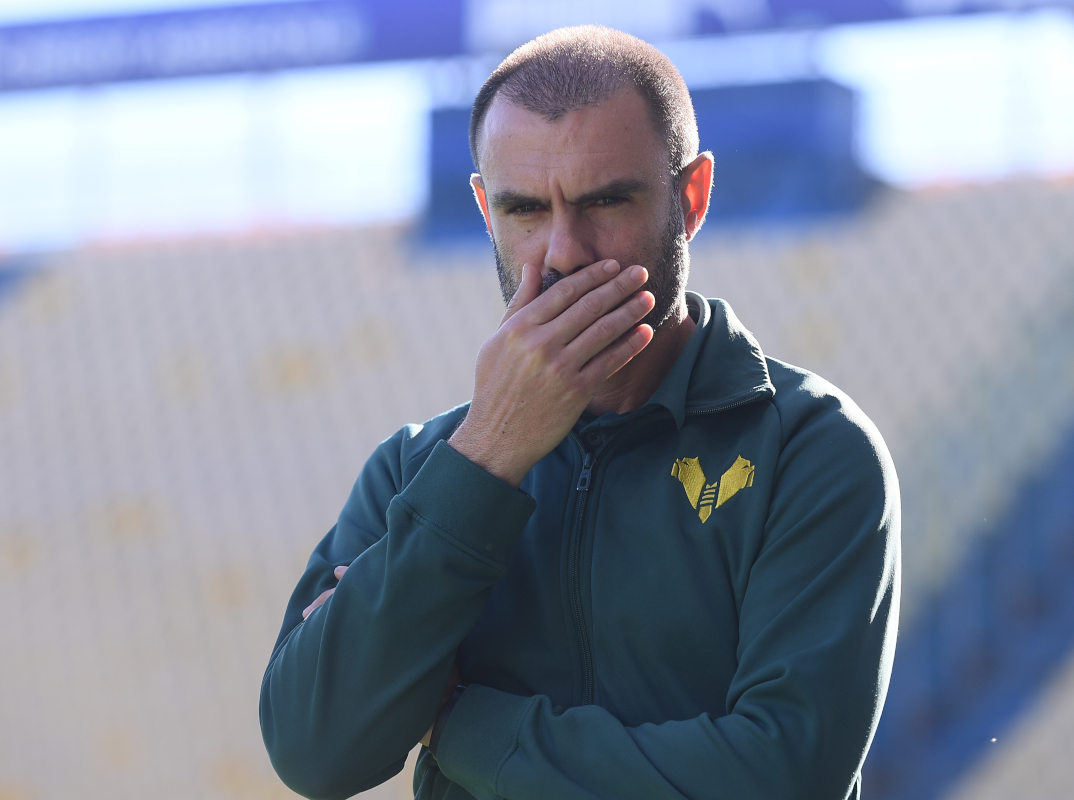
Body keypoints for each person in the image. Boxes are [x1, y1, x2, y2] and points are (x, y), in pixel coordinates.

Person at [260, 24, 900, 800]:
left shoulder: (809, 448)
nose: (562, 251)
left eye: (605, 201)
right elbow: (314, 755)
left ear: (690, 199)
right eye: (525, 209)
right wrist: (487, 457)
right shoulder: (417, 467)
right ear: (485, 211)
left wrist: (461, 722)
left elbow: (782, 778)